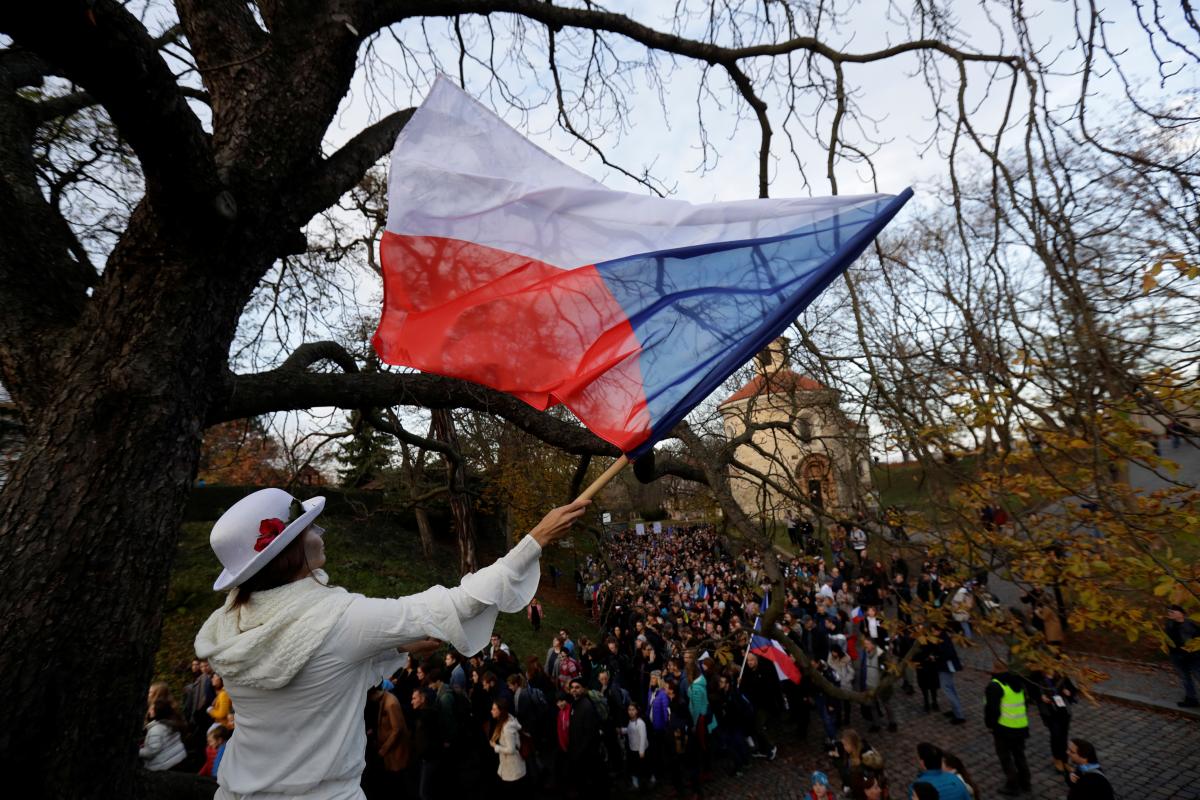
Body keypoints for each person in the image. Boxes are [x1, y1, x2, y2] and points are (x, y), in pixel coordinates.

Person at [193, 487, 588, 799]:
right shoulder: (339, 619)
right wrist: (536, 538)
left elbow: (317, 672)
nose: (321, 533)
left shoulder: (230, 627)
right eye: (310, 528)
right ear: (289, 550)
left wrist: (399, 648)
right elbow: (459, 603)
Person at [985, 660, 1031, 796]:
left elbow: (992, 710)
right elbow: (1025, 704)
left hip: (1004, 729)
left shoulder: (995, 686)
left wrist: (990, 726)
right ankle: (1026, 782)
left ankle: (1013, 786)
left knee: (1005, 758)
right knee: (1020, 756)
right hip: (1021, 727)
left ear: (994, 669)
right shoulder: (1018, 684)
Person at [139, 696, 188, 771]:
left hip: (164, 766)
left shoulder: (156, 730)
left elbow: (151, 752)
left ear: (157, 711)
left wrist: (137, 750)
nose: (149, 711)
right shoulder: (171, 724)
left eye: (152, 709)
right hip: (177, 760)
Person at [1165, 604, 1200, 708]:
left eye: (1172, 612)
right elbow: (1168, 639)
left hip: (1193, 657)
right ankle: (1191, 699)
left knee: (1198, 675)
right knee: (1185, 678)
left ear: (1181, 613)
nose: (1169, 613)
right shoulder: (1169, 624)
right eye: (1169, 612)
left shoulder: (1190, 624)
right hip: (1176, 656)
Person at [490, 698, 526, 792]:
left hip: (512, 768)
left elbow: (511, 749)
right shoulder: (508, 718)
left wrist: (496, 747)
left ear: (501, 711)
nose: (491, 711)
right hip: (511, 766)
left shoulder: (507, 729)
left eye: (494, 709)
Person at [621, 702, 649, 790]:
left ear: (637, 711)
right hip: (633, 749)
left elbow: (643, 737)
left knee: (642, 769)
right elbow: (630, 730)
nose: (631, 712)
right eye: (629, 710)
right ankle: (636, 784)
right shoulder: (630, 722)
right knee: (634, 768)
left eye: (633, 710)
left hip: (640, 751)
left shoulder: (640, 723)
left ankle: (645, 784)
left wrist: (641, 751)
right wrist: (622, 730)